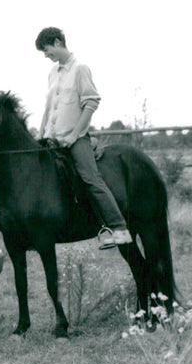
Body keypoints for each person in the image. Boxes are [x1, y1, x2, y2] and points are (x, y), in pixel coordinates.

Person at [35, 27, 133, 249]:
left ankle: (118, 229)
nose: (46, 55)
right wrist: (40, 133)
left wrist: (75, 135)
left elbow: (91, 103)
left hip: (75, 139)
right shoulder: (52, 73)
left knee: (90, 178)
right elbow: (48, 108)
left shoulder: (80, 69)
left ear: (58, 42)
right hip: (51, 140)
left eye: (47, 49)